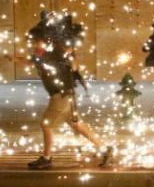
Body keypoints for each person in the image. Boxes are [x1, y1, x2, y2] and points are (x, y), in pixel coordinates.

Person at [27, 11, 111, 170]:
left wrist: (69, 55)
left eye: (37, 42)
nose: (35, 45)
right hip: (66, 94)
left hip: (62, 95)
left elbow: (72, 66)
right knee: (77, 124)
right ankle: (104, 149)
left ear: (46, 41)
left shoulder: (56, 55)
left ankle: (46, 157)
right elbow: (35, 60)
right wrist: (15, 58)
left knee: (46, 124)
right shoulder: (46, 55)